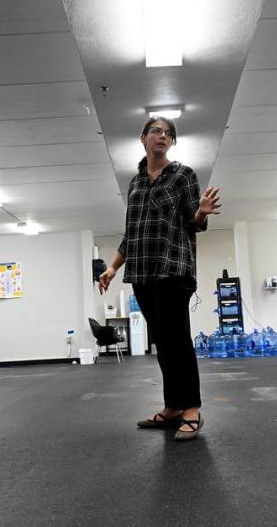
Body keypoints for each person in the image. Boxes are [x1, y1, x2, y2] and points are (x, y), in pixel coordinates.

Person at [98, 116, 221, 441]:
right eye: (156, 131)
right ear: (143, 138)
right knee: (163, 345)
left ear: (171, 142)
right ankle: (173, 406)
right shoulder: (135, 184)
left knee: (178, 342)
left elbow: (192, 222)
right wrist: (112, 267)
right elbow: (132, 233)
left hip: (174, 270)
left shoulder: (183, 175)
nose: (162, 136)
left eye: (168, 134)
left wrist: (201, 212)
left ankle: (191, 408)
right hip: (141, 273)